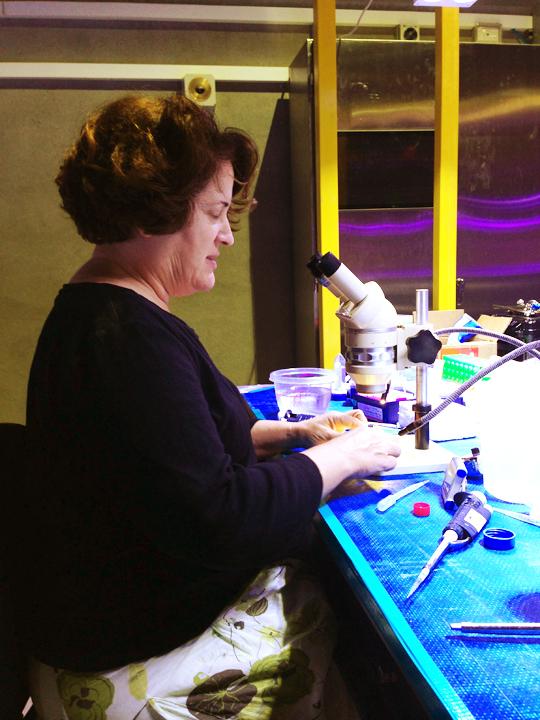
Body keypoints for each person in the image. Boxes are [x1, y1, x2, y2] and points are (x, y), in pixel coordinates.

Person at [17, 94, 400, 720]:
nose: (227, 234)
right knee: (358, 635)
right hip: (128, 662)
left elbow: (170, 452)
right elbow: (220, 517)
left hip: (119, 624)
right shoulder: (124, 339)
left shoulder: (109, 313)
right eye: (216, 213)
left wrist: (292, 432)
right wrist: (341, 457)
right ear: (153, 211)